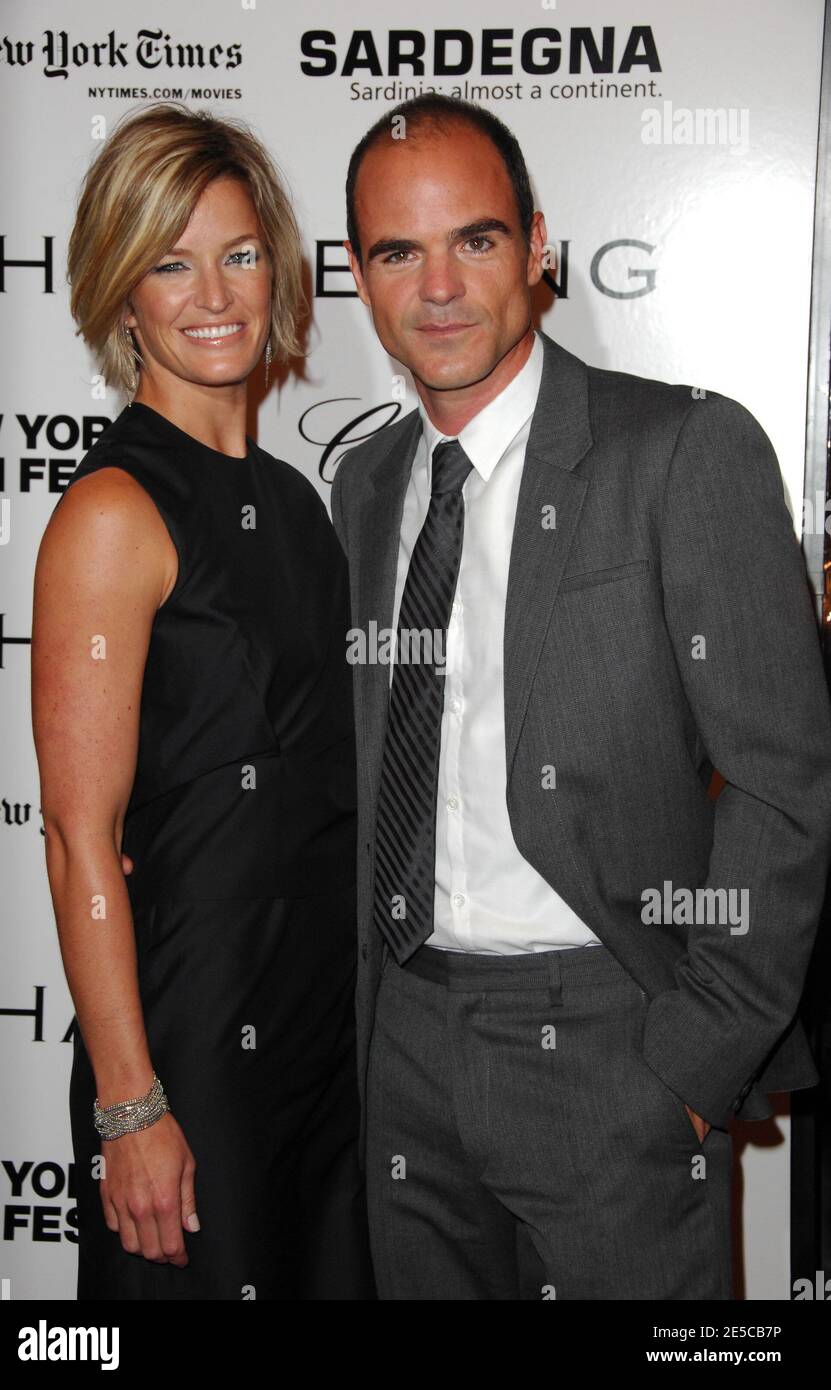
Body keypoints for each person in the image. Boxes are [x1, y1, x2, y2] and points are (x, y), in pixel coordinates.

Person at [331, 93, 831, 1300]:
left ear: (537, 245)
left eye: (477, 240)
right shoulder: (364, 484)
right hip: (401, 1037)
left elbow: (781, 781)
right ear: (357, 274)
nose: (439, 286)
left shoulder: (678, 451)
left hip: (611, 1041)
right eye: (400, 250)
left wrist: (695, 1054)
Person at [31, 102, 374, 1300]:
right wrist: (133, 1106)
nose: (212, 293)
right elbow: (80, 830)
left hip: (324, 1047)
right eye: (169, 263)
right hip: (191, 1054)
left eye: (236, 254)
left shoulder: (296, 506)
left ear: (277, 269)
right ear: (123, 296)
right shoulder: (114, 512)